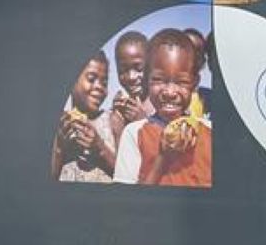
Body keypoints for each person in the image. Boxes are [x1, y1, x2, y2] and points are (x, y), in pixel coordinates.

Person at [113, 29, 212, 187]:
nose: (170, 92)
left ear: (195, 83)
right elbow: (126, 200)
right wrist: (162, 159)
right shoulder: (134, 133)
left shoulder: (210, 132)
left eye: (181, 82)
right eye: (159, 80)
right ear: (147, 80)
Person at [52, 53, 116, 183]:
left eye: (104, 82)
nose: (99, 87)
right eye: (91, 79)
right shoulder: (60, 124)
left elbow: (126, 177)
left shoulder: (114, 121)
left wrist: (100, 147)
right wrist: (59, 148)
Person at [108, 30, 150, 144]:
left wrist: (143, 123)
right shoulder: (119, 112)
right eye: (123, 70)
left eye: (138, 68)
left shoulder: (162, 106)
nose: (131, 77)